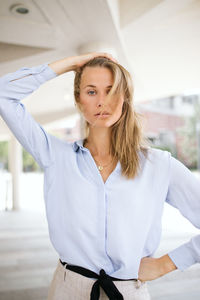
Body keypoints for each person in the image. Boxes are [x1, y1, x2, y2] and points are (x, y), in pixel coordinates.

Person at [0, 52, 199, 300]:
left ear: (125, 98)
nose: (102, 102)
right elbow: (4, 93)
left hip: (129, 292)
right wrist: (72, 64)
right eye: (91, 91)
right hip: (67, 289)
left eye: (111, 90)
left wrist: (166, 264)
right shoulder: (55, 155)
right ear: (78, 99)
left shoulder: (159, 165)